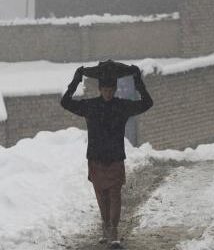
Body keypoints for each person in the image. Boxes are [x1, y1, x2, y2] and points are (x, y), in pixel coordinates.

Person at [61, 64, 153, 249]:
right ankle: (105, 225)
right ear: (100, 89)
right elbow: (65, 102)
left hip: (115, 158)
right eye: (105, 89)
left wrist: (137, 80)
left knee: (115, 195)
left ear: (115, 89)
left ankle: (114, 230)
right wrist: (76, 79)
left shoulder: (122, 106)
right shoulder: (90, 106)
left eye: (111, 90)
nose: (108, 93)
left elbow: (147, 103)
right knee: (101, 196)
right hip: (95, 157)